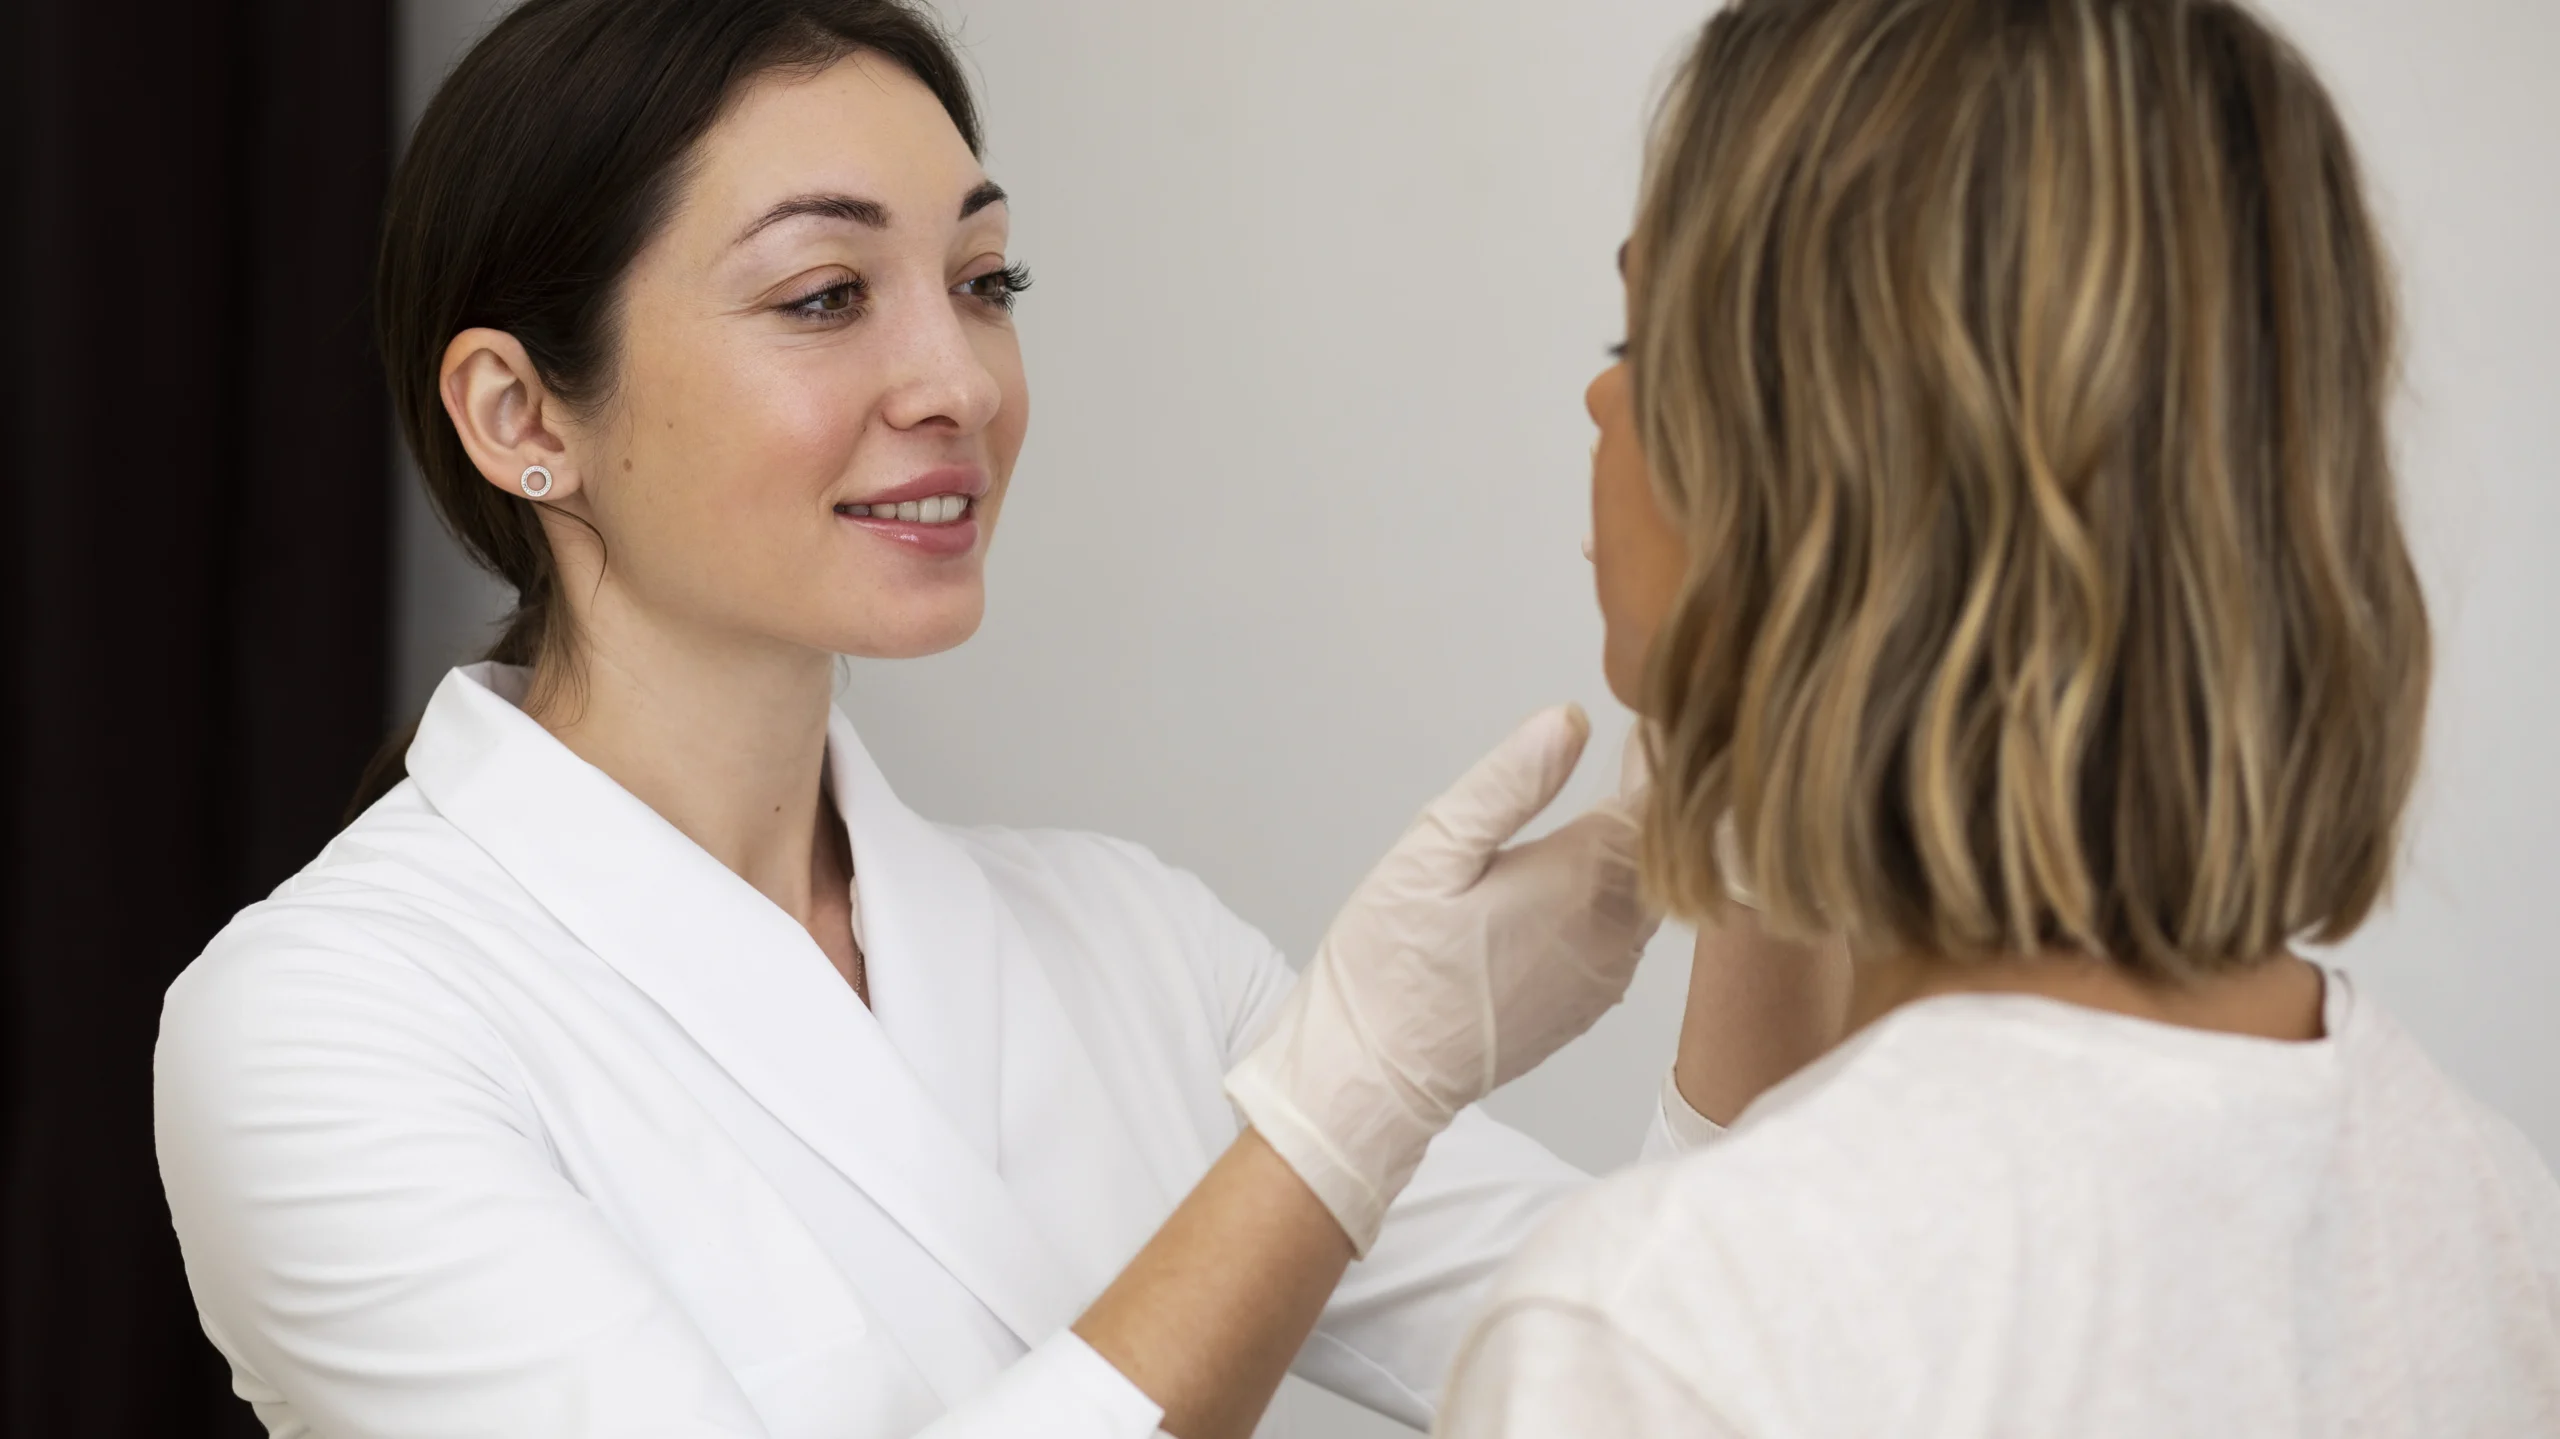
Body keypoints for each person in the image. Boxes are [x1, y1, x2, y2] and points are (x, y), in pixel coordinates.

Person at [152, 2, 1837, 1436]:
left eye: (982, 278)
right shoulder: (319, 1028)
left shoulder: (1126, 943)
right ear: (521, 411)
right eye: (826, 297)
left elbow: (1701, 1375)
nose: (955, 380)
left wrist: (1762, 821)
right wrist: (1349, 1102)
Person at [1431, 0, 2560, 1433]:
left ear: (1830, 465)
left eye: (1642, 334)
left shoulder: (1652, 1332)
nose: (1601, 399)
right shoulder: (2499, 1217)